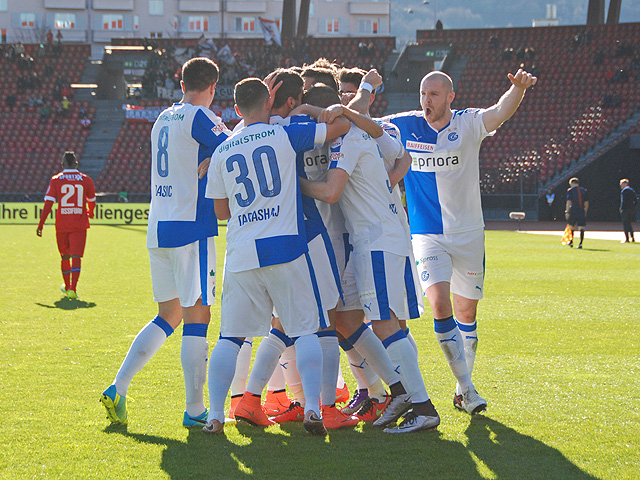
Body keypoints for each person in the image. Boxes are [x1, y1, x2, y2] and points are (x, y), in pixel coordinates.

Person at [380, 69, 537, 415]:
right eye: (423, 94)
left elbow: (500, 111)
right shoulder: (402, 125)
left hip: (468, 234)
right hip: (427, 234)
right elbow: (368, 125)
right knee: (440, 304)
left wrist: (518, 89)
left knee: (467, 314)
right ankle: (467, 388)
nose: (426, 101)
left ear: (450, 97)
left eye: (434, 94)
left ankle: (461, 388)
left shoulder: (467, 123)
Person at [203, 77, 350, 436]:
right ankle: (313, 409)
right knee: (306, 331)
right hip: (286, 247)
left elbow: (221, 212)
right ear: (269, 103)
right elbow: (341, 127)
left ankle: (216, 416)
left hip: (242, 252)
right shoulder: (284, 134)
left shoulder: (223, 150)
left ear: (236, 109)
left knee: (229, 338)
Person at [299, 83, 440, 434]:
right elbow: (403, 156)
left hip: (374, 240)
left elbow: (331, 192)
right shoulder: (370, 131)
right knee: (348, 317)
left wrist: (292, 182)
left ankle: (422, 406)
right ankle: (399, 392)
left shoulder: (346, 140)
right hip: (384, 235)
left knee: (385, 324)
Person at [100, 57, 231, 428]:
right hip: (190, 228)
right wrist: (216, 154)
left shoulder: (162, 118)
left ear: (182, 84)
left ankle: (118, 387)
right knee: (197, 317)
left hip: (158, 227)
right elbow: (235, 145)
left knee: (169, 314)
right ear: (212, 87)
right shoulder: (200, 115)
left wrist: (211, 155)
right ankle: (195, 410)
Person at [36, 151, 96, 299]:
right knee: (76, 256)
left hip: (62, 224)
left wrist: (41, 224)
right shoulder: (86, 179)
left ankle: (68, 286)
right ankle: (73, 290)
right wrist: (91, 212)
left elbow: (48, 203)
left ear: (62, 164)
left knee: (65, 256)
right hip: (79, 224)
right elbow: (92, 199)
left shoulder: (56, 179)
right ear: (76, 164)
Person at [565, 177, 589, 249]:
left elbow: (569, 201)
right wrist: (585, 211)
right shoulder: (583, 190)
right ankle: (581, 243)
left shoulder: (570, 190)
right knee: (581, 227)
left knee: (572, 226)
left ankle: (571, 241)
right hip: (581, 211)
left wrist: (567, 211)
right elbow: (586, 202)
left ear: (572, 183)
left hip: (573, 210)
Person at [619, 178, 636, 243]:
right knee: (629, 223)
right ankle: (632, 237)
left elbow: (623, 201)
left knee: (625, 224)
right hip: (631, 209)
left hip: (626, 209)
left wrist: (621, 208)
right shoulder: (632, 190)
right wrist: (633, 207)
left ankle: (627, 239)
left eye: (621, 184)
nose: (621, 185)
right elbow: (635, 200)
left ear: (625, 184)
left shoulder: (624, 191)